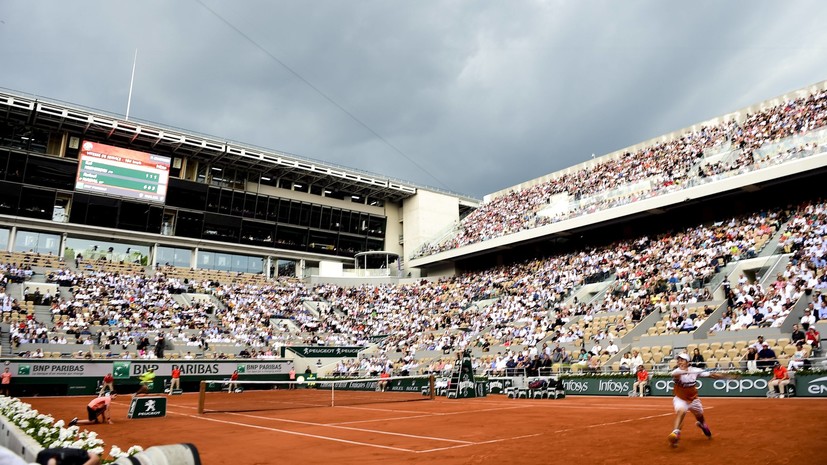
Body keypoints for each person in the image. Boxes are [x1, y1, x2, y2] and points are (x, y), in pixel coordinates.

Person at [667, 353, 736, 447]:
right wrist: (685, 372)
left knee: (699, 416)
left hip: (693, 399)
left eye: (682, 360)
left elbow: (711, 375)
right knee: (681, 411)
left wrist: (725, 377)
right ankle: (675, 433)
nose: (679, 362)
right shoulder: (676, 371)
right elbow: (675, 374)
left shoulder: (695, 370)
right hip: (680, 398)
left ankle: (703, 425)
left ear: (688, 362)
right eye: (678, 360)